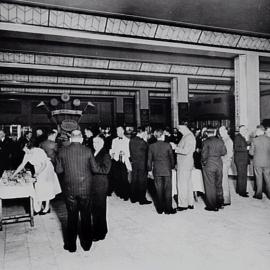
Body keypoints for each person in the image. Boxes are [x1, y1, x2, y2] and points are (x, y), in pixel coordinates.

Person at [55, 130, 105, 252]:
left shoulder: (62, 151)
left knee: (71, 217)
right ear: (81, 139)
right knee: (86, 216)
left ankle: (71, 246)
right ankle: (86, 244)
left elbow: (59, 171)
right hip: (86, 189)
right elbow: (94, 169)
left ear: (71, 139)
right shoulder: (88, 151)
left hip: (69, 189)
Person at [11, 141, 61, 214]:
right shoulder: (27, 154)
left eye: (24, 149)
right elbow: (22, 165)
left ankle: (47, 208)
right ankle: (38, 207)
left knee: (47, 188)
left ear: (26, 146)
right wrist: (13, 175)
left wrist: (37, 174)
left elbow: (44, 164)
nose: (23, 151)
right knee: (39, 187)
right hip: (38, 169)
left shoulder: (38, 151)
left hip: (46, 169)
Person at [147, 129, 176, 214]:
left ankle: (160, 209)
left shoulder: (151, 146)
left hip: (157, 170)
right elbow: (172, 158)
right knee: (168, 190)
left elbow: (149, 160)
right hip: (167, 170)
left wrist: (149, 170)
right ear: (162, 135)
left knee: (158, 190)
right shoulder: (167, 145)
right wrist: (172, 166)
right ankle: (168, 209)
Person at [91, 135, 112, 241]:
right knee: (95, 209)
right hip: (94, 184)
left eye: (97, 142)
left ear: (102, 143)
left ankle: (100, 233)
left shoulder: (105, 154)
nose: (95, 144)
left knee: (100, 209)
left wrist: (93, 168)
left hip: (101, 185)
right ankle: (99, 229)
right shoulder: (93, 152)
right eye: (94, 142)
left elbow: (106, 170)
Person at [201, 128, 227, 211]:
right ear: (215, 132)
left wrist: (203, 163)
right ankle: (220, 203)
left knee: (210, 185)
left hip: (209, 164)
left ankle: (212, 206)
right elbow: (224, 152)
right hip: (219, 164)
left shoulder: (205, 142)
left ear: (207, 133)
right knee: (218, 184)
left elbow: (204, 155)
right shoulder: (220, 141)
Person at [175, 124, 196, 211]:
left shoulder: (188, 137)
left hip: (184, 164)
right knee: (188, 184)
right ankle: (190, 203)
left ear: (184, 128)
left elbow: (186, 151)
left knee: (182, 184)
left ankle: (183, 205)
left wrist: (175, 148)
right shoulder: (188, 136)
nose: (179, 131)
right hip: (186, 164)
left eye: (180, 130)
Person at [129, 127, 151, 204]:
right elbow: (149, 150)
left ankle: (133, 198)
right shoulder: (142, 142)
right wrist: (145, 140)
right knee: (142, 182)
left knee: (134, 180)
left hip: (134, 163)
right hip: (142, 164)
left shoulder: (131, 140)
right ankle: (142, 199)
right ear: (142, 133)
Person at [110, 126, 132, 201]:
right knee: (117, 178)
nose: (118, 133)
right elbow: (112, 149)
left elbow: (129, 152)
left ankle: (126, 195)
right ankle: (119, 192)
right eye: (117, 131)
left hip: (124, 161)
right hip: (116, 161)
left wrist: (125, 153)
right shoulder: (114, 140)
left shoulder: (128, 140)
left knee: (124, 178)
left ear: (123, 131)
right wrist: (112, 154)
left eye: (119, 131)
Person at [249, 125, 270, 199]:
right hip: (267, 162)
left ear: (260, 131)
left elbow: (251, 153)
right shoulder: (269, 139)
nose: (256, 132)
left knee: (259, 178)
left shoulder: (255, 140)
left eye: (256, 131)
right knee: (268, 178)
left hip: (257, 162)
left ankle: (258, 194)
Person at [218, 126, 234, 206]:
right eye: (219, 131)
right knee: (222, 181)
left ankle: (226, 200)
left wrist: (222, 160)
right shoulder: (224, 139)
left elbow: (230, 154)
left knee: (224, 181)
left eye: (221, 131)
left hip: (225, 163)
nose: (220, 133)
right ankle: (222, 198)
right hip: (223, 162)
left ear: (226, 131)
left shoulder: (228, 140)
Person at [234, 125, 249, 197]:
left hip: (243, 159)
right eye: (245, 130)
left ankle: (239, 190)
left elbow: (242, 145)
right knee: (242, 175)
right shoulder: (237, 137)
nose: (246, 131)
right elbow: (236, 148)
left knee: (242, 175)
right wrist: (246, 148)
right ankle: (242, 192)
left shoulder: (242, 137)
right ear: (241, 130)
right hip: (240, 159)